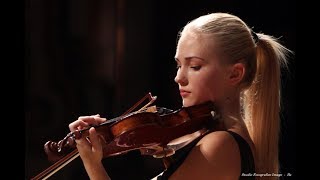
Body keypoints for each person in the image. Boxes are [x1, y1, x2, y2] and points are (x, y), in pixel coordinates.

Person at [69, 12, 292, 180]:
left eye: (194, 66)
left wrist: (93, 165)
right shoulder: (214, 136)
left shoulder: (220, 144)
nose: (179, 78)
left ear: (234, 73)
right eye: (178, 65)